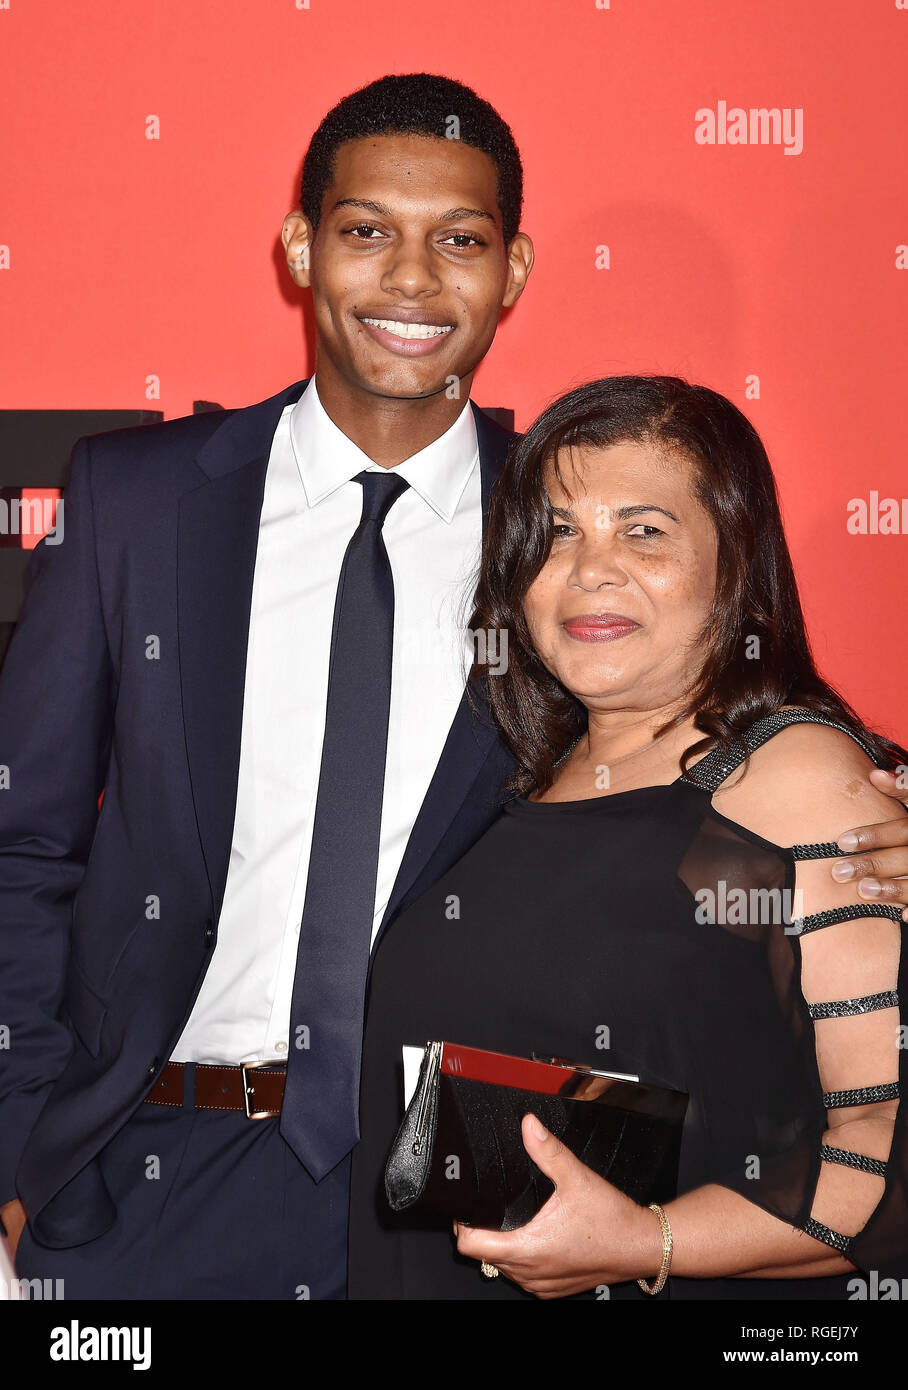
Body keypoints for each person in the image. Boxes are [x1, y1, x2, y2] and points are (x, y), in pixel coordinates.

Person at [2, 75, 907, 1301]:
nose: (412, 281)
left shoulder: (550, 529)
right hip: (154, 1174)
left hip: (461, 1197)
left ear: (514, 267)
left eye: (460, 241)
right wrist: (23, 1149)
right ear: (299, 248)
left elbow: (716, 750)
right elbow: (24, 846)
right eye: (367, 230)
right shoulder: (136, 501)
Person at [348, 376, 908, 1300]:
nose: (590, 569)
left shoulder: (793, 781)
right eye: (560, 532)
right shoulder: (510, 776)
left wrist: (651, 1241)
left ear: (736, 560)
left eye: (644, 531)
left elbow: (883, 1142)